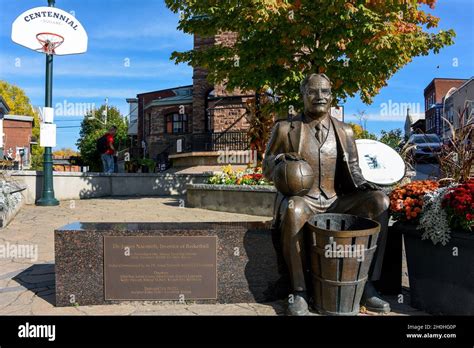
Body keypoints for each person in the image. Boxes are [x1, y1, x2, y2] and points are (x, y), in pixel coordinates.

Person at [263, 73, 390, 316]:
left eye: (324, 92)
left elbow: (353, 170)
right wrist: (280, 160)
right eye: (312, 91)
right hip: (304, 200)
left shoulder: (345, 131)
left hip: (336, 199)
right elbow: (266, 167)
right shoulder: (284, 129)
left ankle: (366, 285)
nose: (319, 96)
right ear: (302, 95)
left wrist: (366, 185)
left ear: (331, 96)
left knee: (380, 202)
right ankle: (299, 292)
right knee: (294, 209)